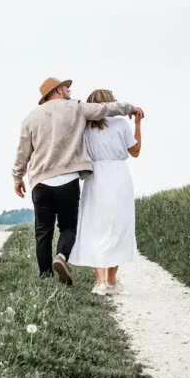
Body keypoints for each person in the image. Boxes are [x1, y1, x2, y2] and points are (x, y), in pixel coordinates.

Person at [12, 77, 144, 285]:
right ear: (57, 91)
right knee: (68, 227)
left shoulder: (31, 118)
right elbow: (104, 110)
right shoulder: (76, 108)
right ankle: (62, 256)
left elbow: (23, 152)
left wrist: (18, 177)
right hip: (68, 179)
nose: (69, 90)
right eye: (66, 88)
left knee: (43, 230)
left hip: (40, 181)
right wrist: (129, 108)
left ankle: (45, 276)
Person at [68, 89, 142, 295]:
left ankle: (100, 282)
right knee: (118, 226)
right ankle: (111, 280)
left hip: (95, 176)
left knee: (95, 227)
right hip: (118, 176)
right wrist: (137, 124)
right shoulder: (121, 124)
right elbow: (135, 152)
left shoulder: (85, 128)